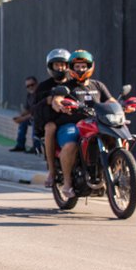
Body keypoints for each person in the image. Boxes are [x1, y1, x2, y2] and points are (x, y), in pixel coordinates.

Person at [51, 49, 117, 198]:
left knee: (115, 136)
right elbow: (57, 99)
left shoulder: (98, 85)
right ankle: (67, 183)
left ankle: (113, 171)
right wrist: (60, 105)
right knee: (70, 145)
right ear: (71, 68)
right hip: (72, 125)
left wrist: (121, 107)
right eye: (77, 66)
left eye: (83, 66)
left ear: (90, 67)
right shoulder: (67, 86)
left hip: (96, 124)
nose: (80, 69)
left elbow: (110, 101)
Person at [33, 48, 70, 187]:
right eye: (56, 65)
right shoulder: (44, 86)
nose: (60, 68)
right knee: (50, 128)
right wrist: (47, 100)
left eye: (63, 64)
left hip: (72, 119)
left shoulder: (73, 83)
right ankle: (52, 171)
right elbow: (34, 108)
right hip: (52, 120)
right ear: (51, 66)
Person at [10, 76, 39, 153]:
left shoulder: (40, 94)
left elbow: (36, 112)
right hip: (32, 116)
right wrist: (20, 116)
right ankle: (20, 145)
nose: (30, 87)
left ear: (36, 84)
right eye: (28, 86)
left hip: (40, 117)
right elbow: (27, 109)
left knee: (34, 121)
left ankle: (36, 147)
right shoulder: (29, 95)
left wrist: (23, 118)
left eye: (32, 85)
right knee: (23, 123)